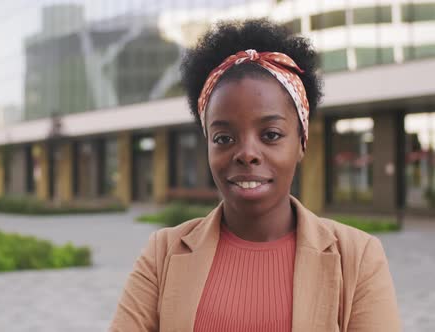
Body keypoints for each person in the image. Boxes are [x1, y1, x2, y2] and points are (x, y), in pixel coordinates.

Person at [110, 19, 399, 331]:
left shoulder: (357, 258)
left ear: (302, 143)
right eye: (223, 138)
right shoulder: (163, 254)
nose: (246, 153)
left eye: (271, 134)